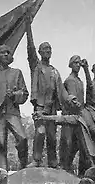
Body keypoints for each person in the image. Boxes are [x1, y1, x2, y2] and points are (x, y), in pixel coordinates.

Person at [26, 20, 69, 168]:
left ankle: (52, 161)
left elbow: (62, 91)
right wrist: (27, 27)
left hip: (51, 108)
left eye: (49, 49)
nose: (48, 51)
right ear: (40, 52)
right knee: (40, 132)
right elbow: (30, 49)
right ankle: (36, 159)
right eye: (45, 49)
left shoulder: (55, 71)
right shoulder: (37, 67)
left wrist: (70, 98)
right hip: (40, 106)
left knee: (51, 136)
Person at [60, 55, 88, 175]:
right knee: (67, 144)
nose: (78, 65)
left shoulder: (80, 81)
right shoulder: (70, 80)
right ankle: (65, 168)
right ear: (70, 65)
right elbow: (71, 99)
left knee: (80, 145)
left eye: (79, 63)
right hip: (70, 116)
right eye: (75, 63)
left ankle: (78, 171)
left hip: (78, 117)